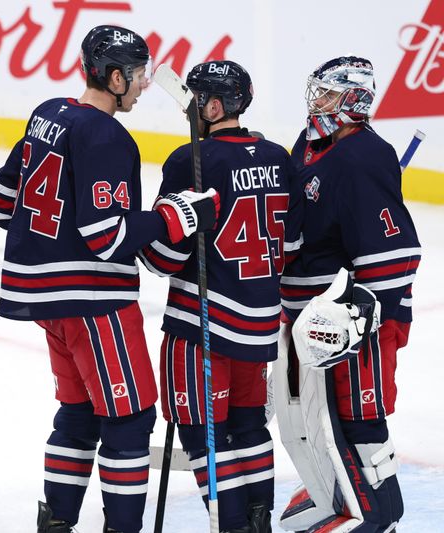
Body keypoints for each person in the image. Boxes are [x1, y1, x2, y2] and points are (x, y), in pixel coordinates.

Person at [0, 26, 218, 533]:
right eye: (136, 76)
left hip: (42, 300)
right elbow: (107, 238)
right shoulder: (109, 136)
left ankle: (57, 523)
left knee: (78, 411)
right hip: (94, 304)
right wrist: (171, 216)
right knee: (130, 418)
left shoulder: (46, 113)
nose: (141, 86)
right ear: (113, 77)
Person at [139, 60, 304, 533]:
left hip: (201, 326)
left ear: (212, 105)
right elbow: (289, 247)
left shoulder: (191, 159)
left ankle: (231, 525)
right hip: (259, 327)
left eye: (194, 101)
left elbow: (162, 258)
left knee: (204, 435)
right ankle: (258, 522)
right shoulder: (278, 157)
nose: (188, 110)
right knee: (250, 428)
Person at [275, 56, 420, 532]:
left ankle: (379, 512)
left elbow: (393, 251)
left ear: (353, 99)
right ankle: (336, 493)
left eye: (327, 95)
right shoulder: (310, 144)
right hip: (303, 316)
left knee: (357, 416)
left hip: (351, 322)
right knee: (308, 419)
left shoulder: (365, 156)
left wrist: (366, 313)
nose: (316, 104)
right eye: (316, 93)